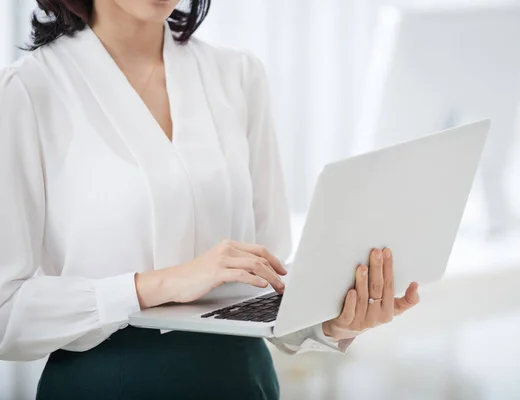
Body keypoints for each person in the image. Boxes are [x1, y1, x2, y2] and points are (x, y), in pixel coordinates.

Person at [0, 0, 420, 398]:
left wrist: (333, 323)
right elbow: (5, 312)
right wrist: (156, 285)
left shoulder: (237, 74)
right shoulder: (28, 91)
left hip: (240, 380)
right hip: (107, 382)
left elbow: (270, 279)